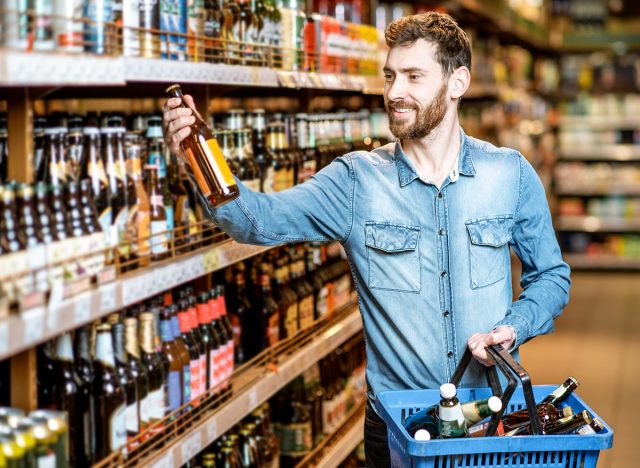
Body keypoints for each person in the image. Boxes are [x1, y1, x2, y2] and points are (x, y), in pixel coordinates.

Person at [163, 12, 570, 466]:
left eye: (414, 76)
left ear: (458, 83)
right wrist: (198, 159)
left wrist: (513, 328)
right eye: (391, 76)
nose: (395, 92)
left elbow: (551, 277)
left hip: (489, 422)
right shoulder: (355, 181)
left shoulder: (509, 173)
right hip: (398, 428)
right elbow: (256, 221)